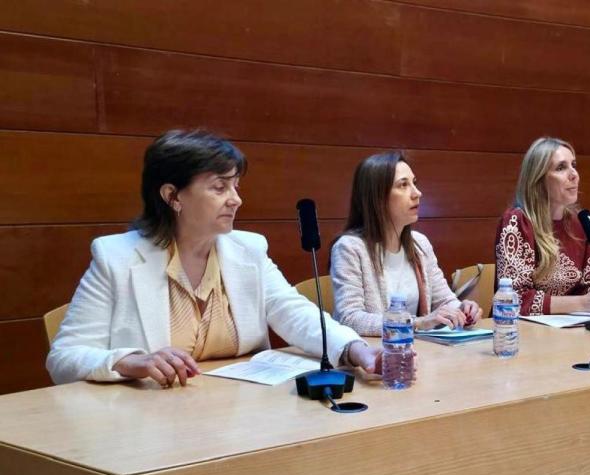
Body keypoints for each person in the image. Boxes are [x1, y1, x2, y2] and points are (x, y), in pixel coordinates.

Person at [46, 129, 382, 387]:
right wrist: (129, 361)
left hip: (239, 416)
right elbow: (64, 357)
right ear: (172, 196)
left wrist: (355, 350)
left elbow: (294, 314)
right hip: (151, 425)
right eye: (220, 187)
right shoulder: (116, 258)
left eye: (235, 186)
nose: (236, 200)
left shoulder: (248, 249)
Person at [331, 151, 482, 336]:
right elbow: (350, 319)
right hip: (375, 356)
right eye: (403, 185)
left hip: (419, 351)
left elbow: (443, 300)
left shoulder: (420, 244)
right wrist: (417, 323)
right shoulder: (349, 248)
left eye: (414, 183)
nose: (417, 193)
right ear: (377, 197)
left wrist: (461, 308)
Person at [495, 136, 590, 316]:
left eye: (574, 165)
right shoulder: (517, 222)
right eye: (561, 167)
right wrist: (585, 303)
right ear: (538, 180)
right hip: (520, 334)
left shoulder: (582, 222)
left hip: (570, 329)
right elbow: (515, 300)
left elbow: (589, 286)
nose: (574, 174)